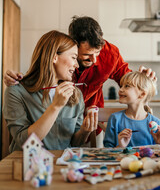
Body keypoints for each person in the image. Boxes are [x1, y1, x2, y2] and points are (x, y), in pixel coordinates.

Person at [4, 16, 156, 138]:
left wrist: (143, 80)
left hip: (90, 121)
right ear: (72, 45)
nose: (95, 59)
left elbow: (128, 78)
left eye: (97, 52)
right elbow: (44, 73)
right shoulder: (60, 64)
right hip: (56, 122)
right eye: (87, 55)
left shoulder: (110, 53)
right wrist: (22, 79)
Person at [3, 30, 98, 152]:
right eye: (74, 57)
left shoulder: (75, 94)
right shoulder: (16, 92)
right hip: (29, 166)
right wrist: (55, 107)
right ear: (54, 57)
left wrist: (85, 131)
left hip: (63, 167)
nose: (77, 65)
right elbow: (24, 142)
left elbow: (74, 143)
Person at [103, 71, 160, 148]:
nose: (120, 90)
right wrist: (120, 146)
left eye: (126, 86)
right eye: (121, 86)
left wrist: (158, 143)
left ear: (142, 94)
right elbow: (107, 151)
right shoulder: (115, 119)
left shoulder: (156, 122)